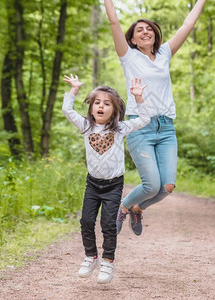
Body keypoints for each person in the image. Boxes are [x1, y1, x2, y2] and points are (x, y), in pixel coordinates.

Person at [103, 0, 207, 236]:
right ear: (132, 39)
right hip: (141, 127)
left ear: (155, 35)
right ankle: (124, 205)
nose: (145, 31)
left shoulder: (164, 54)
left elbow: (187, 25)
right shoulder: (128, 57)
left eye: (149, 28)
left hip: (166, 128)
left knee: (166, 187)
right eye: (139, 30)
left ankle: (137, 207)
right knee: (151, 184)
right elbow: (113, 21)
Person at [62, 74, 150, 284]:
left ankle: (108, 261)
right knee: (86, 221)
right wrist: (74, 89)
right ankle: (91, 256)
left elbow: (144, 119)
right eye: (97, 103)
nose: (101, 106)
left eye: (107, 103)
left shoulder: (119, 128)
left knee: (108, 224)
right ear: (92, 108)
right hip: (92, 184)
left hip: (113, 185)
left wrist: (138, 97)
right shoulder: (86, 127)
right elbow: (67, 110)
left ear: (115, 110)